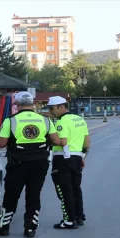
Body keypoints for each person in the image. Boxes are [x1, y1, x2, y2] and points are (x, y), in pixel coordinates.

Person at [0, 92, 61, 238]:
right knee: (34, 195)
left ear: (16, 105)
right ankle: (30, 228)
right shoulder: (45, 120)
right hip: (39, 164)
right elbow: (57, 141)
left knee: (11, 195)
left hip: (18, 164)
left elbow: (1, 144)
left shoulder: (11, 120)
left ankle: (3, 227)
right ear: (33, 104)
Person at [47, 96, 90, 229]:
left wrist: (49, 140)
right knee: (76, 188)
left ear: (61, 107)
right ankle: (79, 216)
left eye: (51, 108)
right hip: (76, 157)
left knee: (64, 190)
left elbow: (62, 142)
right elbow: (87, 141)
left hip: (62, 158)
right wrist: (82, 156)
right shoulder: (79, 119)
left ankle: (69, 220)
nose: (50, 111)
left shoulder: (61, 122)